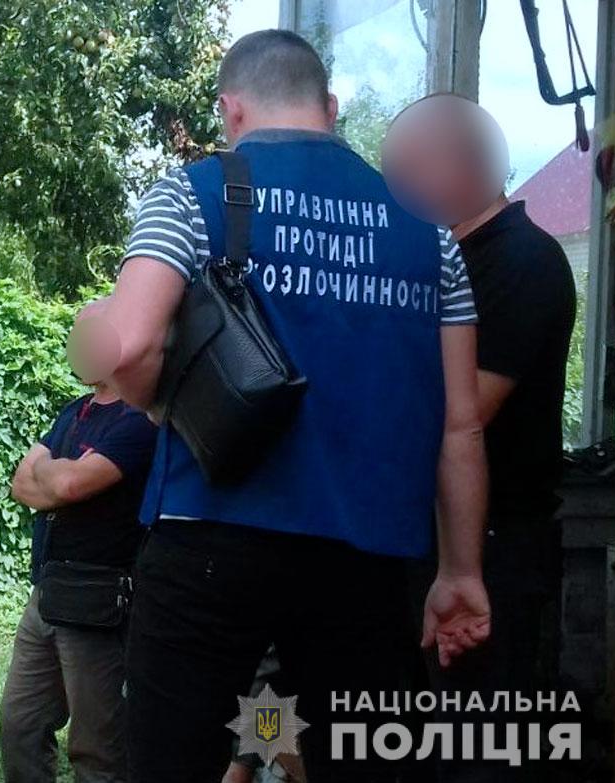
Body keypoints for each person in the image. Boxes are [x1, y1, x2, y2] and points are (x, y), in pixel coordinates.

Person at [93, 30, 491, 782]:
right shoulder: (431, 237)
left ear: (231, 110)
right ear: (331, 109)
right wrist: (461, 570)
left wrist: (159, 409)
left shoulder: (189, 195)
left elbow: (127, 347)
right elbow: (461, 424)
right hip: (367, 557)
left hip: (209, 536)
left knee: (171, 763)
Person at [389, 96, 577, 782]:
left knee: (476, 750)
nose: (395, 190)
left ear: (454, 168)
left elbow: (461, 410)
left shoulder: (523, 261)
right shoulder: (448, 258)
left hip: (495, 549)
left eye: (404, 172)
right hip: (434, 546)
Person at [0, 378, 157, 783]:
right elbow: (21, 484)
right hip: (45, 596)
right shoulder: (73, 411)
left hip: (98, 604)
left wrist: (52, 472)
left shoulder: (138, 419)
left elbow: (70, 484)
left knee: (96, 747)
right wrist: (60, 477)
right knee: (20, 725)